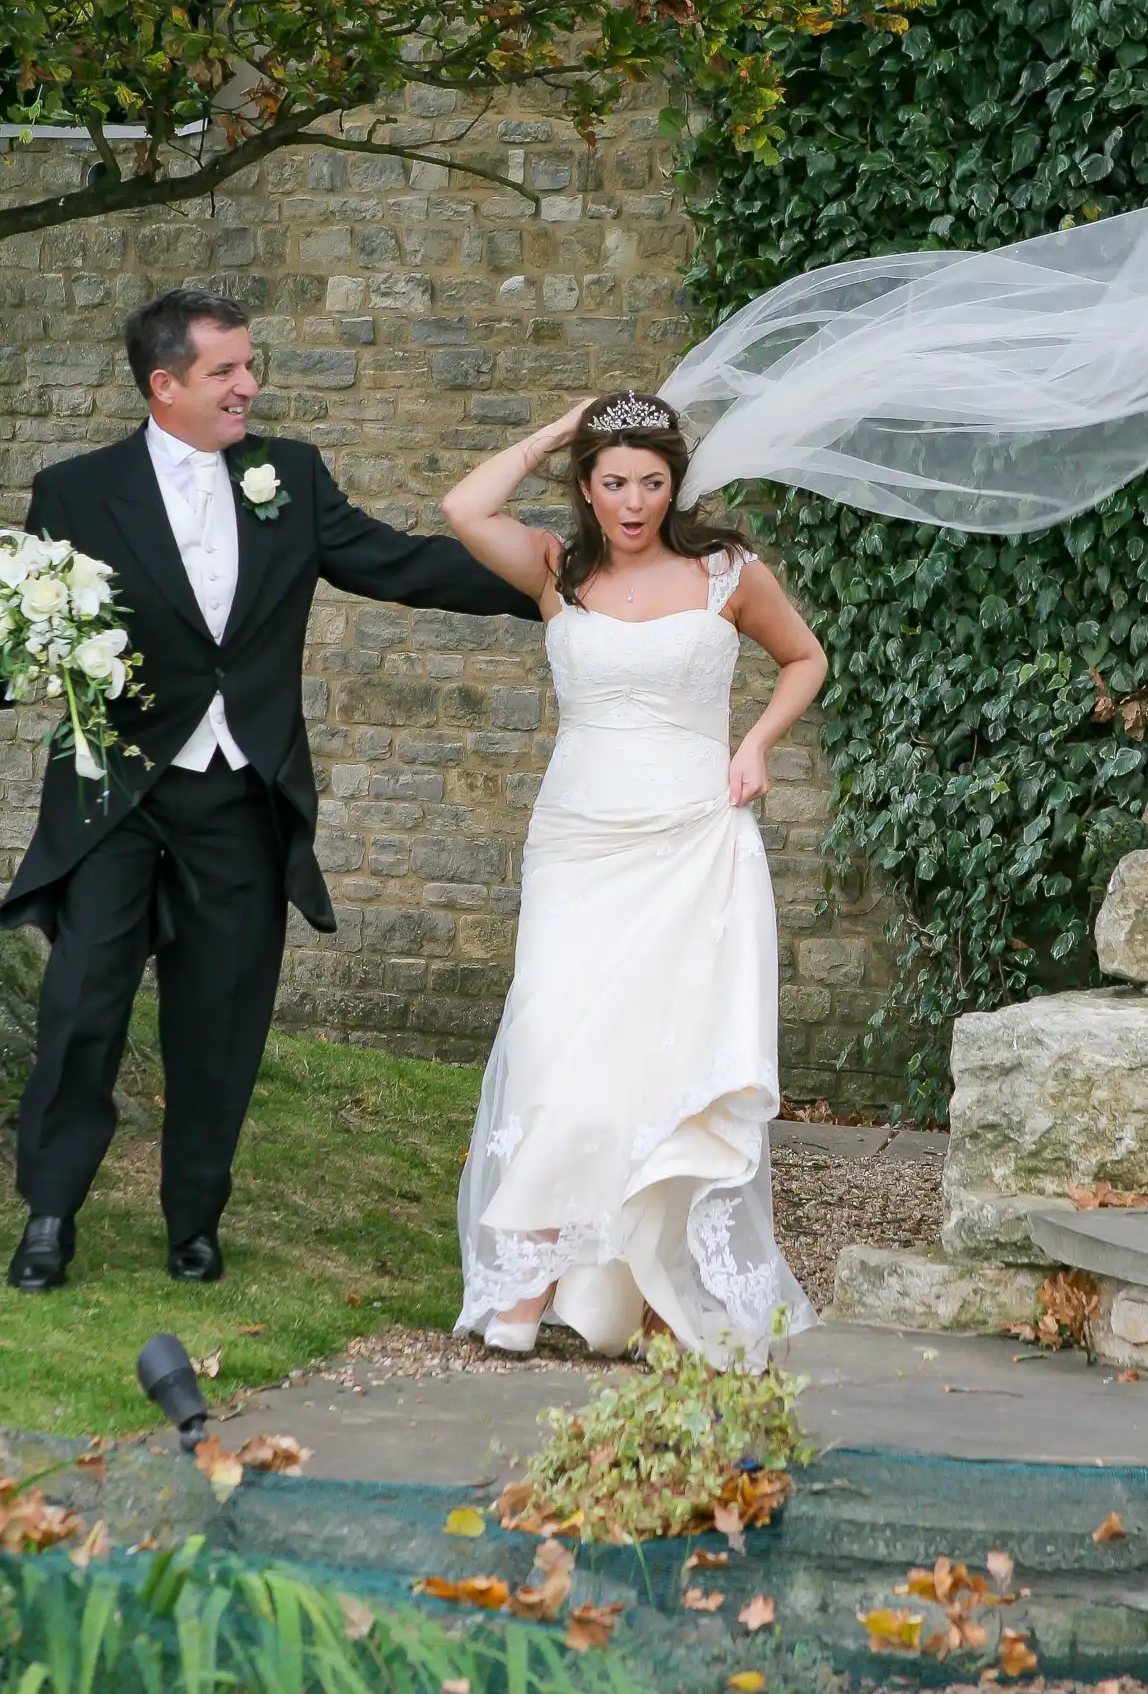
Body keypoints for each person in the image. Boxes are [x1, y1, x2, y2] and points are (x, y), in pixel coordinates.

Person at [3, 288, 539, 1294]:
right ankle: (49, 1216)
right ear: (165, 385)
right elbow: (31, 624)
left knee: (222, 1016)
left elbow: (396, 563)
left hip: (240, 794)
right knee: (81, 1008)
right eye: (226, 371)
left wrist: (557, 580)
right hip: (116, 800)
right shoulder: (75, 490)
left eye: (250, 365)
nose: (248, 385)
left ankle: (194, 1222)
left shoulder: (285, 475)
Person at [443, 388, 826, 1363]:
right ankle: (530, 1278)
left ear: (674, 486)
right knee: (550, 1051)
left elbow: (803, 658)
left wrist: (755, 744)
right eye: (612, 482)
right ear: (586, 486)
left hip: (691, 839)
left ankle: (634, 1293)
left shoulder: (725, 572)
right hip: (576, 844)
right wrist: (552, 431)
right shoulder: (555, 569)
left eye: (651, 483)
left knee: (657, 1062)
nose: (632, 502)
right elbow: (462, 509)